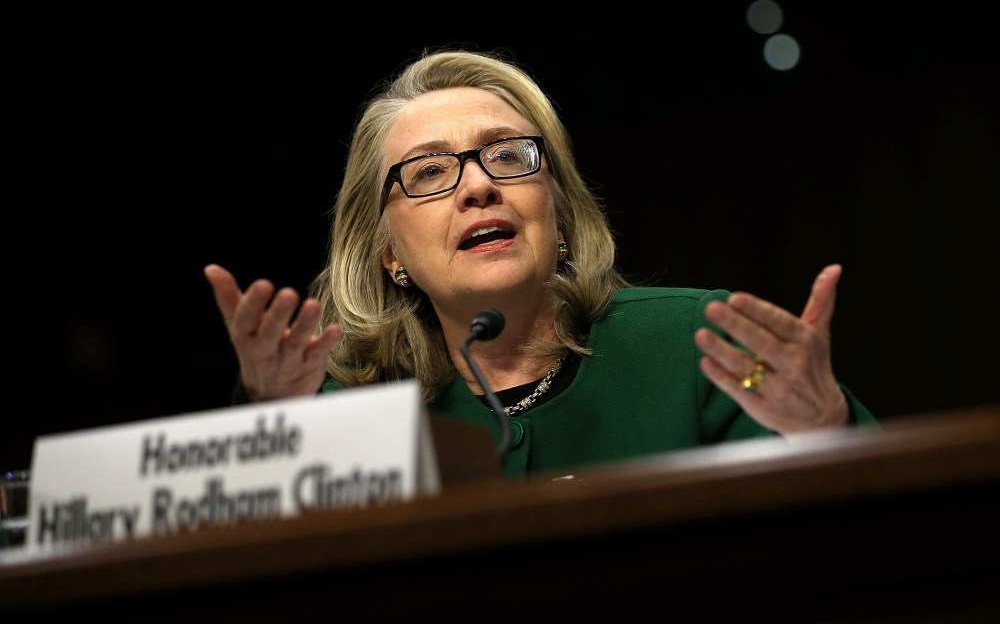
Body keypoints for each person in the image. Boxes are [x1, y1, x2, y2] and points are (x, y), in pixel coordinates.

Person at [204, 48, 876, 479]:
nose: (477, 186)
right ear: (388, 252)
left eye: (506, 156)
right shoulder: (341, 404)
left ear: (557, 209)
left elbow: (871, 537)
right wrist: (271, 419)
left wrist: (822, 426)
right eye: (431, 170)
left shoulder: (701, 346)